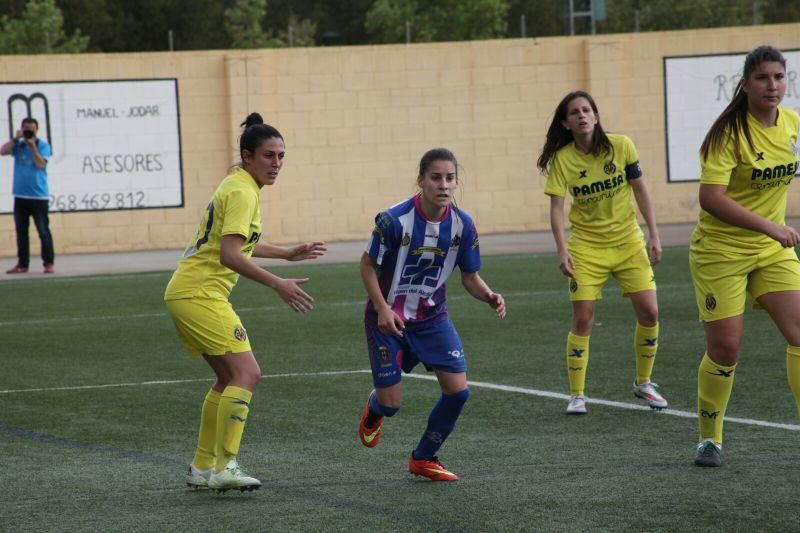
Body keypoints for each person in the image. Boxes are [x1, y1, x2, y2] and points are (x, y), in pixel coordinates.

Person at [164, 113, 326, 491]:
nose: (277, 164)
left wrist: (286, 253)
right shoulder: (242, 191)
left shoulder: (239, 184)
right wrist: (277, 284)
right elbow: (229, 255)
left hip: (188, 292)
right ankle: (225, 467)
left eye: (282, 156)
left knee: (227, 377)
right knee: (247, 374)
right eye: (269, 156)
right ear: (247, 155)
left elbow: (236, 242)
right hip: (199, 293)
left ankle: (204, 467)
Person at [357, 147, 506, 482]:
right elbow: (367, 266)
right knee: (391, 405)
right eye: (435, 178)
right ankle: (375, 407)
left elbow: (469, 276)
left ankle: (423, 457)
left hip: (432, 319)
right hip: (387, 320)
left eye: (450, 178)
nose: (443, 184)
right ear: (421, 180)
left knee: (458, 392)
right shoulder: (393, 220)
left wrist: (489, 295)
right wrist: (381, 308)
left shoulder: (463, 225)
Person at [690, 45, 800, 467]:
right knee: (726, 349)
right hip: (721, 251)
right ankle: (709, 438)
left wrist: (773, 233)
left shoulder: (790, 124)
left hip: (771, 251)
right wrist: (771, 226)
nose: (772, 85)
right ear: (744, 84)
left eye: (778, 77)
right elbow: (710, 199)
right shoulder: (727, 135)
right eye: (762, 78)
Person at [538, 91, 667, 415]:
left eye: (587, 110)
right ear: (566, 123)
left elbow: (640, 190)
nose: (582, 115)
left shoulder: (621, 146)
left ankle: (643, 382)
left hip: (628, 242)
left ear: (596, 116)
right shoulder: (563, 160)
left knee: (650, 313)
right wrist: (562, 249)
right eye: (574, 112)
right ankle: (577, 395)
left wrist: (654, 234)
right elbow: (556, 208)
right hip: (586, 247)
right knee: (583, 318)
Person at [1, 117, 55, 274]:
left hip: (38, 197)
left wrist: (32, 147)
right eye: (26, 129)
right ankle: (22, 264)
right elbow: (2, 151)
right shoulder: (19, 144)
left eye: (31, 129)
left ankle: (48, 263)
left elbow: (40, 164)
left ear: (36, 130)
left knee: (43, 231)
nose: (29, 132)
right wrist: (16, 138)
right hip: (20, 196)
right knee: (21, 232)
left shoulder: (43, 145)